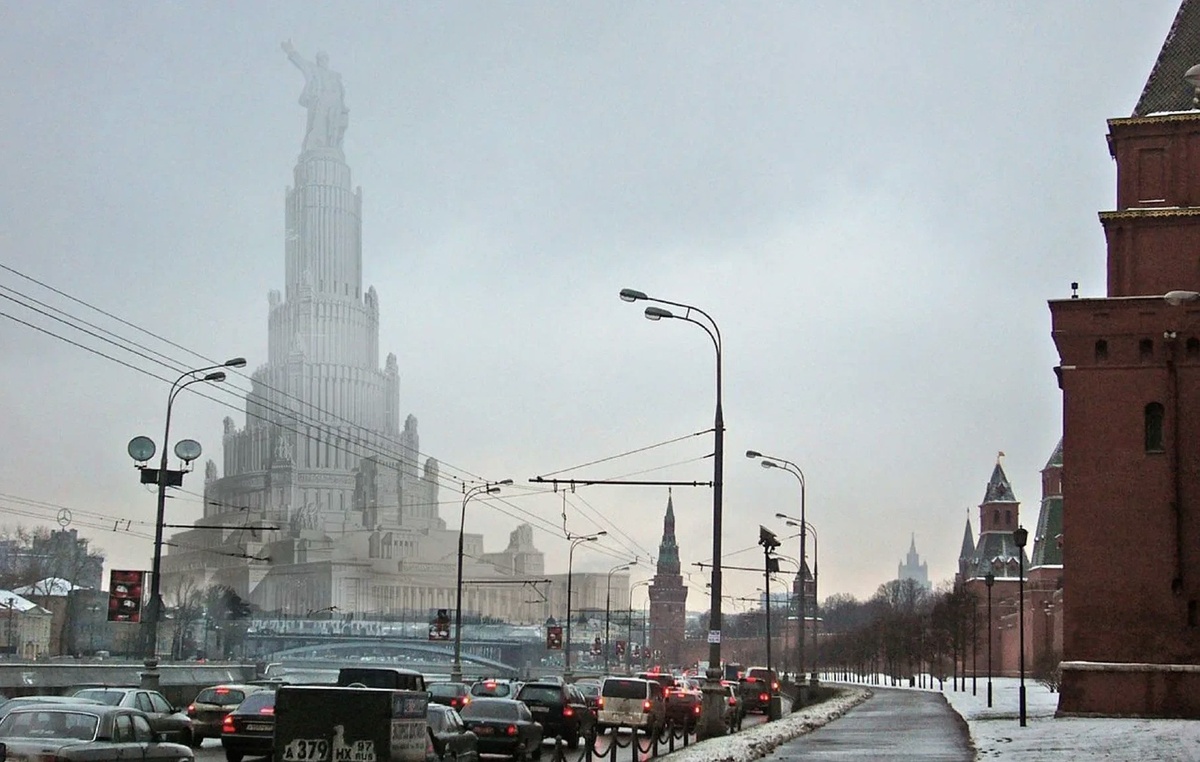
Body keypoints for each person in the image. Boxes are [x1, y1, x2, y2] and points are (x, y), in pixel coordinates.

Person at [281, 40, 349, 152]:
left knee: (333, 129)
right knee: (317, 126)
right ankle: (315, 148)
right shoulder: (314, 69)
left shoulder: (334, 76)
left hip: (334, 103)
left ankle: (331, 148)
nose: (323, 61)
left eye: (325, 58)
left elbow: (341, 92)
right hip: (320, 101)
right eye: (320, 58)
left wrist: (342, 106)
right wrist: (291, 51)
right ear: (318, 60)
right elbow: (302, 63)